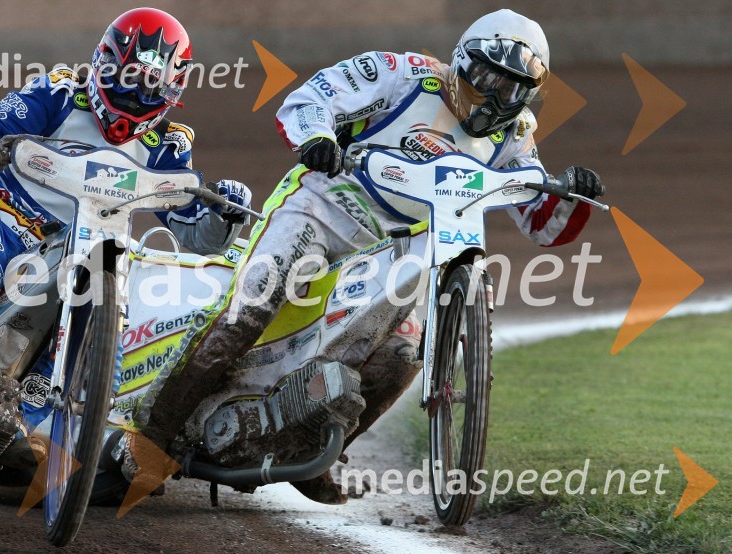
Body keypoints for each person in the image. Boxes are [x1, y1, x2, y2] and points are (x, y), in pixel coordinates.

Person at [133, 9, 603, 503]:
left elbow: (540, 222)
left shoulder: (515, 132)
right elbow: (311, 99)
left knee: (401, 360)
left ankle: (311, 451)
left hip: (401, 243)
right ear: (462, 60)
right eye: (488, 79)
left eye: (513, 90)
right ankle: (151, 438)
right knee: (247, 312)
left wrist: (569, 194)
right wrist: (316, 138)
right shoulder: (403, 73)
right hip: (323, 206)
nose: (496, 98)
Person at [0, 8, 252, 460]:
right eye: (127, 78)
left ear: (173, 88)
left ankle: (21, 416)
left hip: (80, 243)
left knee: (107, 302)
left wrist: (225, 211)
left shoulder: (166, 147)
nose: (135, 95)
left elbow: (197, 232)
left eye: (150, 84)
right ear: (105, 63)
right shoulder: (62, 92)